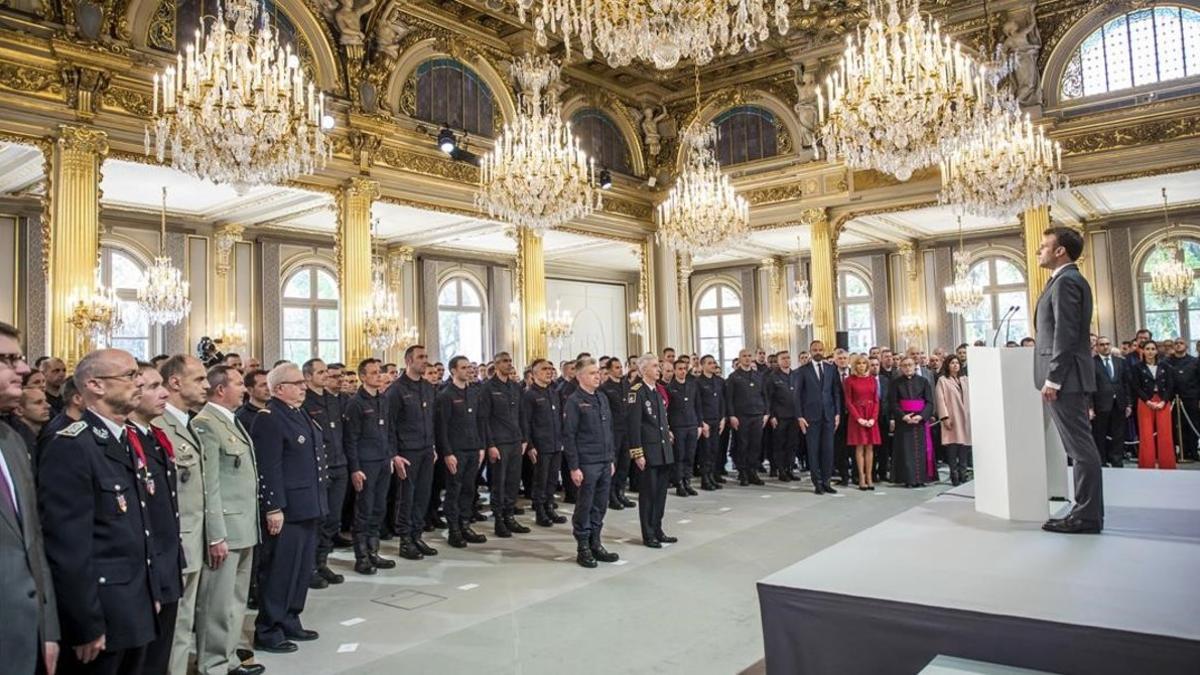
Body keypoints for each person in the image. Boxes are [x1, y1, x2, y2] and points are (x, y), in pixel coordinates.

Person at [40, 349, 159, 674]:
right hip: (102, 615)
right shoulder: (72, 445)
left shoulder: (124, 439)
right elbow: (68, 547)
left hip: (134, 603)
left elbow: (136, 529)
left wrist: (151, 591)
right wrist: (84, 622)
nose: (140, 383)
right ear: (95, 385)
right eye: (130, 376)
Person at [250, 362, 327, 653]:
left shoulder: (298, 413)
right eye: (297, 383)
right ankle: (268, 628)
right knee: (280, 570)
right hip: (288, 508)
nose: (303, 387)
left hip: (308, 504)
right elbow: (269, 466)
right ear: (280, 388)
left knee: (301, 568)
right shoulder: (269, 417)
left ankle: (291, 618)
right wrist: (273, 507)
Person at [192, 365, 264, 675]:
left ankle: (229, 657)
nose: (244, 389)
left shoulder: (229, 421)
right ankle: (213, 665)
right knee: (217, 605)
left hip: (243, 525)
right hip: (225, 529)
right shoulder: (206, 424)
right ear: (221, 389)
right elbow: (210, 485)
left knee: (235, 601)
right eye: (237, 383)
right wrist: (215, 535)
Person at [1034, 227, 1104, 534]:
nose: (1039, 251)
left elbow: (1066, 332)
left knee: (1080, 449)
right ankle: (1086, 512)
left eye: (1044, 246)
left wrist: (1054, 378)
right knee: (1078, 448)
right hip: (1069, 376)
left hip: (1067, 377)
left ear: (1060, 250)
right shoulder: (1063, 280)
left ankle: (1086, 516)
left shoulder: (1067, 281)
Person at [0, 323, 60, 675]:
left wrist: (47, 629)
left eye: (19, 358)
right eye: (8, 359)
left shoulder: (12, 440)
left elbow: (33, 545)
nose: (23, 370)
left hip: (26, 636)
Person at [125, 362, 184, 675]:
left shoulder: (155, 436)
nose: (163, 393)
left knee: (160, 653)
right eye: (152, 387)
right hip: (142, 567)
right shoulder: (126, 439)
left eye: (162, 385)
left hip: (166, 559)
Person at [158, 354, 211, 675]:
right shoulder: (160, 425)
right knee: (176, 628)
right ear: (175, 382)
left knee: (186, 622)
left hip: (195, 539)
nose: (207, 385)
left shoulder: (187, 423)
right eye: (200, 379)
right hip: (177, 543)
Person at [344, 358, 401, 574]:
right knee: (364, 510)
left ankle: (374, 551)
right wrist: (355, 468)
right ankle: (362, 556)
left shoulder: (384, 400)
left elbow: (390, 431)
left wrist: (392, 455)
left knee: (379, 508)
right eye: (374, 373)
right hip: (365, 463)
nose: (379, 375)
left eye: (379, 372)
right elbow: (351, 439)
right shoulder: (356, 403)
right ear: (363, 377)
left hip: (383, 461)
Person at [562, 357, 620, 568]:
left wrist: (611, 458)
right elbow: (569, 436)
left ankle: (596, 543)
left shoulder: (602, 398)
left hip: (604, 461)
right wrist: (574, 467)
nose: (597, 376)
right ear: (580, 377)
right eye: (592, 373)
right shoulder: (574, 401)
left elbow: (609, 432)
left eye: (598, 373)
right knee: (585, 507)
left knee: (600, 506)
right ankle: (583, 547)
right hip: (586, 462)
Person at [387, 345, 439, 560]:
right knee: (406, 498)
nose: (425, 360)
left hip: (426, 449)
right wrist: (394, 454)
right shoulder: (397, 389)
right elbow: (390, 425)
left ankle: (417, 536)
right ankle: (405, 540)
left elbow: (431, 420)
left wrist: (434, 446)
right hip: (407, 451)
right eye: (420, 357)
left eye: (426, 356)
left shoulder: (428, 387)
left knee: (423, 495)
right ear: (409, 360)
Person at [300, 358, 347, 588]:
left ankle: (322, 562)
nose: (326, 375)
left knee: (332, 519)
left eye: (326, 371)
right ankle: (308, 568)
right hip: (319, 468)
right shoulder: (304, 402)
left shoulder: (333, 400)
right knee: (317, 520)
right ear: (308, 377)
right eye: (320, 372)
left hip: (340, 464)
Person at [436, 355, 488, 548]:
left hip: (473, 448)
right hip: (455, 450)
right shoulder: (445, 395)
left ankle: (465, 525)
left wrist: (481, 446)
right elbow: (442, 427)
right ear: (454, 371)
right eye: (464, 367)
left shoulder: (474, 393)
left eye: (469, 367)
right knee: (454, 490)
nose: (469, 370)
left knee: (469, 489)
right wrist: (447, 453)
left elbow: (480, 421)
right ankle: (454, 529)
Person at [626, 355, 676, 549]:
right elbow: (634, 425)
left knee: (661, 494)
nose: (659, 369)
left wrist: (668, 432)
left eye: (659, 366)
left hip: (662, 449)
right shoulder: (636, 392)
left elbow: (661, 420)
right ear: (643, 370)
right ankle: (648, 533)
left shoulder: (657, 391)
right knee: (648, 495)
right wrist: (637, 453)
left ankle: (658, 529)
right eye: (655, 366)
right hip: (648, 451)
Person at [480, 351, 529, 537]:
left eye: (510, 361)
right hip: (499, 442)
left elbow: (522, 415)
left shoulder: (515, 387)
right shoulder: (488, 388)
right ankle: (499, 520)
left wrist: (524, 439)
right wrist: (490, 444)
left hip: (515, 440)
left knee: (513, 482)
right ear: (496, 364)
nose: (509, 364)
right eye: (505, 361)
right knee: (498, 483)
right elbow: (484, 418)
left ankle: (510, 516)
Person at [793, 340, 843, 495]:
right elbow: (797, 396)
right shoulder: (802, 371)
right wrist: (800, 416)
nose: (818, 352)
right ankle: (817, 483)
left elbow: (836, 392)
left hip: (828, 416)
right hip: (810, 417)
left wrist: (837, 413)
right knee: (813, 451)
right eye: (815, 350)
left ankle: (827, 481)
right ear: (810, 351)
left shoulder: (830, 369)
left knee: (828, 450)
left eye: (820, 349)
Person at [522, 358, 566, 527]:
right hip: (540, 445)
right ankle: (540, 511)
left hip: (555, 443)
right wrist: (530, 445)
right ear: (534, 374)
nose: (549, 371)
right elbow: (526, 422)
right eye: (544, 369)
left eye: (550, 368)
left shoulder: (554, 392)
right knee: (540, 480)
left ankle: (549, 507)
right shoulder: (529, 394)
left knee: (552, 479)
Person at [888, 356, 935, 488]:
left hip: (920, 421)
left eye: (910, 365)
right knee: (906, 451)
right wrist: (903, 416)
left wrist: (921, 417)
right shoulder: (895, 383)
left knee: (921, 450)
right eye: (905, 365)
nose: (908, 368)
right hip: (904, 422)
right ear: (901, 368)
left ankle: (921, 479)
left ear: (915, 366)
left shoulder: (924, 381)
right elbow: (893, 403)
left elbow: (930, 402)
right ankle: (908, 479)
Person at [1130, 340, 1175, 470]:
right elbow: (1136, 387)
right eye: (1147, 349)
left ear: (1156, 351)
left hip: (1162, 400)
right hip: (1145, 401)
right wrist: (1147, 401)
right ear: (1143, 351)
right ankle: (1146, 465)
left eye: (1152, 349)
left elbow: (1170, 386)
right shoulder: (1137, 367)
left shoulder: (1165, 366)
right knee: (1146, 434)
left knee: (1165, 433)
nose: (1150, 352)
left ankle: (1167, 465)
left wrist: (1163, 401)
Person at [726, 348, 767, 486]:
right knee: (742, 445)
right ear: (739, 359)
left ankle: (752, 471)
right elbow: (729, 399)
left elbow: (765, 395)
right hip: (741, 416)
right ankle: (742, 472)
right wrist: (731, 415)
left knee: (755, 445)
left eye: (749, 356)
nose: (747, 358)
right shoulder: (733, 377)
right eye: (744, 356)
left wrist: (766, 413)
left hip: (757, 415)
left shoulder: (758, 376)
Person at [1091, 337, 1132, 468]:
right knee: (1100, 435)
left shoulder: (1120, 362)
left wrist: (1129, 404)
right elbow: (1090, 387)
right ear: (1096, 347)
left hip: (1119, 403)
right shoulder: (1092, 363)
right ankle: (1101, 461)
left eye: (1107, 344)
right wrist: (1090, 407)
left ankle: (1117, 460)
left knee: (1118, 434)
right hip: (1100, 404)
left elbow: (1126, 384)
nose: (1105, 347)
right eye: (1102, 345)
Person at [599, 357, 634, 509]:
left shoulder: (627, 385)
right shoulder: (605, 388)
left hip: (627, 430)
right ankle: (611, 495)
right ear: (609, 370)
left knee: (625, 464)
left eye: (621, 367)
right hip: (614, 432)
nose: (620, 370)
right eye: (616, 367)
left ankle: (620, 492)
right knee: (614, 463)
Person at [665, 359, 704, 496]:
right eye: (679, 369)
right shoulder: (669, 388)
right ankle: (679, 483)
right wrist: (669, 428)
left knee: (690, 455)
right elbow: (667, 410)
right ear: (675, 371)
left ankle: (688, 481)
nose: (682, 371)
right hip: (678, 426)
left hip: (692, 424)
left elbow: (698, 406)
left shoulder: (692, 385)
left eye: (684, 369)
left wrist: (699, 424)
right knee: (679, 456)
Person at [843, 354, 880, 491]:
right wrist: (859, 418)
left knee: (870, 448)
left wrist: (873, 419)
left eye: (864, 363)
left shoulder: (872, 380)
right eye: (858, 363)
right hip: (857, 416)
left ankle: (870, 477)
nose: (861, 365)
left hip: (870, 414)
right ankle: (861, 477)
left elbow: (876, 400)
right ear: (854, 365)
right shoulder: (849, 380)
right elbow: (848, 401)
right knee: (859, 448)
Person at [935, 355, 972, 486]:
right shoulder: (943, 380)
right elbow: (940, 400)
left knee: (964, 447)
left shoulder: (965, 379)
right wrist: (944, 417)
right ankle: (954, 474)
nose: (955, 365)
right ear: (947, 365)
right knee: (952, 447)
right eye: (952, 363)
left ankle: (963, 473)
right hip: (952, 417)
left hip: (965, 417)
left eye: (957, 363)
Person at [764, 350, 799, 482]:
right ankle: (781, 470)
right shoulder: (772, 377)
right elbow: (769, 398)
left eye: (788, 358)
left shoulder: (796, 375)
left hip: (794, 416)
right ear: (778, 361)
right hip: (779, 416)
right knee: (780, 445)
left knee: (792, 444)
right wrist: (771, 415)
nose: (786, 360)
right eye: (783, 358)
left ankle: (790, 469)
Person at [1163, 338, 1199, 461]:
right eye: (1176, 343)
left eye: (1181, 343)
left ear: (1186, 346)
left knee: (1193, 424)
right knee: (1175, 426)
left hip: (1191, 398)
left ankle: (1193, 451)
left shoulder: (1195, 361)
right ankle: (1180, 451)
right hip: (1173, 399)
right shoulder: (1167, 362)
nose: (1178, 345)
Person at [695, 355, 726, 490]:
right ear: (702, 366)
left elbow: (722, 401)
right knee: (705, 451)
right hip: (706, 421)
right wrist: (701, 422)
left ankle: (712, 476)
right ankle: (705, 479)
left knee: (714, 450)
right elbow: (697, 404)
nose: (713, 365)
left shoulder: (719, 381)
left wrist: (723, 418)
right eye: (709, 363)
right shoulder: (697, 382)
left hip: (717, 420)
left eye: (714, 362)